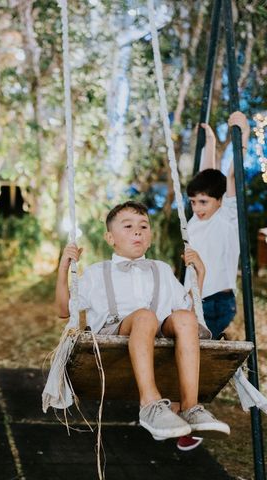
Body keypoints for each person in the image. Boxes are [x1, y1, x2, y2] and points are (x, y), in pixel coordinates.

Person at [55, 201, 229, 442]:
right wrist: (63, 267)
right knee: (145, 316)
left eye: (143, 226)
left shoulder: (162, 269)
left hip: (157, 330)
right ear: (110, 237)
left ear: (150, 236)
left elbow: (187, 309)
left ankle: (191, 407)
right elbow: (64, 310)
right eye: (127, 226)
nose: (137, 231)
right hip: (114, 332)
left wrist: (200, 274)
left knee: (186, 318)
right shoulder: (97, 272)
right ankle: (150, 405)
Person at [177, 111, 249, 451]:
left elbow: (230, 176)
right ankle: (178, 414)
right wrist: (209, 142)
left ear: (220, 201)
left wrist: (240, 136)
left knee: (195, 358)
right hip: (192, 299)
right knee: (180, 355)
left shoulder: (227, 216)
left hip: (217, 301)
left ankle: (188, 419)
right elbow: (211, 175)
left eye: (204, 201)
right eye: (193, 201)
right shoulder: (196, 219)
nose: (198, 207)